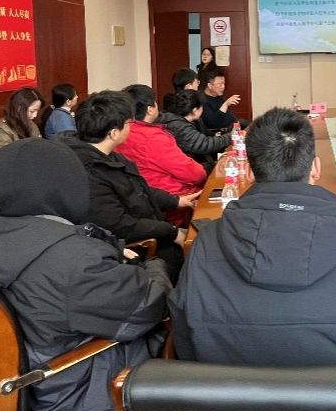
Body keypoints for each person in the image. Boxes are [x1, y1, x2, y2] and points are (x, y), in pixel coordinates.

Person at [170, 107, 336, 367]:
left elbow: (186, 346)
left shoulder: (205, 243)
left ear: (248, 171)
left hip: (230, 397)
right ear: (316, 168)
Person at [0, 138, 172, 411]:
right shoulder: (75, 261)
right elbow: (148, 306)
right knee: (185, 324)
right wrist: (156, 265)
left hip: (25, 375)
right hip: (74, 386)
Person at [63, 91, 189, 279]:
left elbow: (137, 188)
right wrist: (171, 231)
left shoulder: (109, 156)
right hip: (138, 248)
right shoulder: (88, 171)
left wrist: (176, 201)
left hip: (152, 228)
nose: (131, 127)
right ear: (114, 133)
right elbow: (119, 225)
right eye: (128, 123)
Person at [117, 84, 206, 212]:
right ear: (150, 109)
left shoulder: (120, 132)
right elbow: (194, 174)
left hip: (141, 198)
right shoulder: (152, 136)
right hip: (172, 198)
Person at [158, 89, 231, 172]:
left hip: (192, 164)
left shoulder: (178, 119)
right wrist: (231, 136)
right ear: (195, 110)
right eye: (202, 107)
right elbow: (205, 144)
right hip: (189, 170)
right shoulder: (180, 127)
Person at [0, 86, 42, 152]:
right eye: (32, 111)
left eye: (37, 111)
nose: (35, 115)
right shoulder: (1, 129)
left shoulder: (30, 123)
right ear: (19, 108)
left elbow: (39, 145)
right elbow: (6, 155)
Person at [198, 67, 242, 133]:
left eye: (224, 83)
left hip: (233, 129)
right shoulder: (202, 99)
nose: (223, 87)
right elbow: (213, 124)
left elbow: (231, 117)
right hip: (220, 134)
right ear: (210, 85)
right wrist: (225, 104)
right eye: (220, 84)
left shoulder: (219, 96)